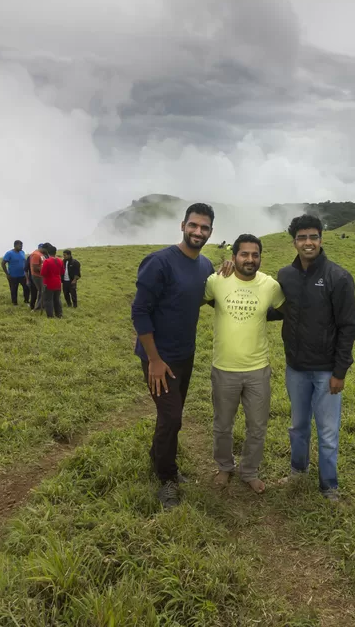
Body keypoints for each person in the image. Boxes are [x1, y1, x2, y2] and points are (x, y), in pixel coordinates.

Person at [131, 203, 216, 510]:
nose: (198, 231)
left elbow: (211, 295)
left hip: (185, 355)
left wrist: (229, 273)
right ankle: (166, 478)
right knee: (172, 417)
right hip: (159, 358)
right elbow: (140, 311)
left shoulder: (205, 266)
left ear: (210, 232)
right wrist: (153, 359)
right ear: (182, 225)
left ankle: (157, 458)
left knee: (171, 417)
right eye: (193, 225)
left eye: (204, 228)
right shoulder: (159, 262)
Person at [274, 214, 355, 501]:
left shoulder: (339, 277)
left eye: (313, 237)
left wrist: (340, 371)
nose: (307, 242)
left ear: (321, 239)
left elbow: (348, 327)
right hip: (295, 368)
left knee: (328, 432)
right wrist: (231, 276)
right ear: (294, 242)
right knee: (297, 426)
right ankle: (298, 471)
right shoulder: (285, 275)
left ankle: (329, 486)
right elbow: (272, 307)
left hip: (326, 372)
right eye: (301, 237)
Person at [203, 234, 284, 494]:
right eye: (244, 254)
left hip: (258, 369)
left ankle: (249, 471)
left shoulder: (270, 285)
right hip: (224, 368)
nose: (250, 259)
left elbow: (285, 309)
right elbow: (205, 299)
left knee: (257, 426)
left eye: (255, 255)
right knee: (222, 425)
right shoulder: (217, 281)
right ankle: (225, 467)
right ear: (234, 256)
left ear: (260, 257)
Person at [1, 240, 29, 305]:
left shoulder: (22, 252)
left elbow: (24, 261)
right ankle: (15, 303)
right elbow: (3, 263)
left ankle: (26, 301)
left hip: (22, 275)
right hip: (13, 276)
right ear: (15, 245)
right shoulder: (9, 253)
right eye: (20, 246)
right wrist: (7, 274)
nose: (21, 247)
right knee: (14, 290)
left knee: (27, 288)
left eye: (22, 246)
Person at [40, 243, 64, 318]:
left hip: (49, 283)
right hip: (58, 282)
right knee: (57, 299)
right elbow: (62, 272)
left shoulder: (47, 261)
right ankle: (59, 314)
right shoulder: (60, 261)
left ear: (48, 252)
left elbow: (43, 273)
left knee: (48, 300)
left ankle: (50, 316)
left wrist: (42, 266)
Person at [28, 244, 45, 311]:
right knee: (42, 291)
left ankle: (41, 306)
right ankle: (38, 308)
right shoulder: (36, 255)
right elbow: (35, 268)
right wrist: (44, 271)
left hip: (41, 275)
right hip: (38, 275)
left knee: (42, 291)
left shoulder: (41, 254)